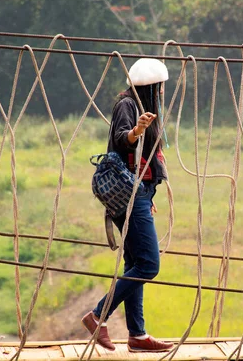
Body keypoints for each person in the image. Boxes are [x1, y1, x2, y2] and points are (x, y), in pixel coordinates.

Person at [81, 58, 174, 353]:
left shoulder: (145, 107)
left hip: (140, 193)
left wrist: (149, 196)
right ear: (149, 87)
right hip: (131, 196)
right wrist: (137, 129)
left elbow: (145, 158)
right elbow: (123, 140)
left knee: (135, 264)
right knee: (148, 264)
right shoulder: (128, 105)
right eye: (158, 88)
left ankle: (137, 335)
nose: (160, 93)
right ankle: (98, 315)